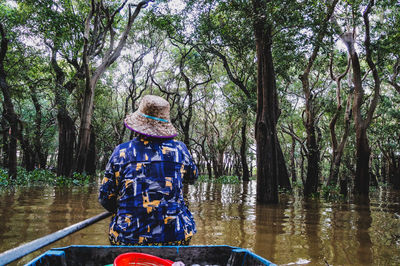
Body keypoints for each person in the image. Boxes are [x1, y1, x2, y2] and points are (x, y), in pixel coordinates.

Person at [99, 95, 198, 246]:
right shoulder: (181, 150)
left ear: (139, 123)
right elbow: (193, 177)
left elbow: (105, 197)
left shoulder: (121, 151)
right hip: (175, 237)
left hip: (127, 238)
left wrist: (124, 209)